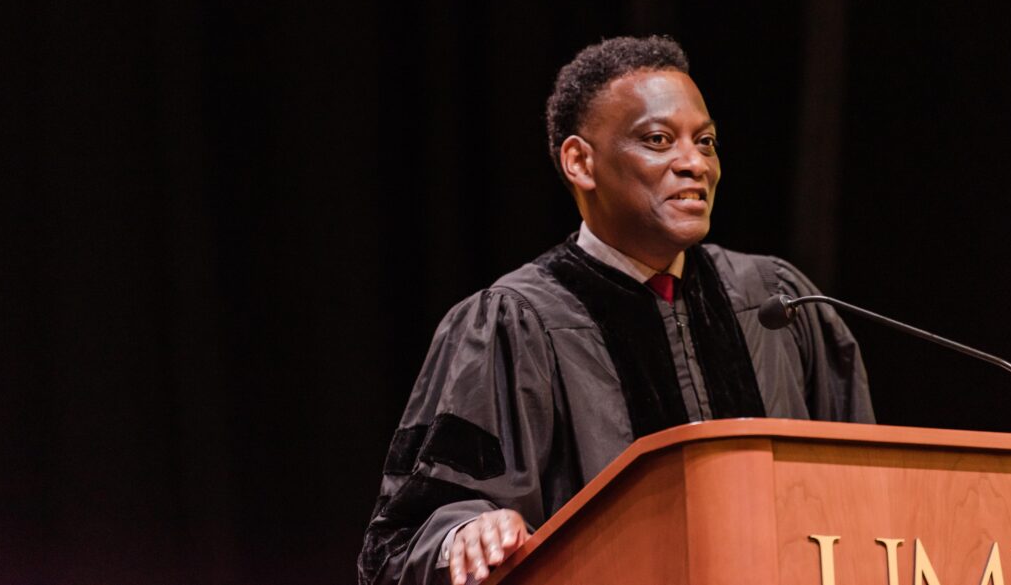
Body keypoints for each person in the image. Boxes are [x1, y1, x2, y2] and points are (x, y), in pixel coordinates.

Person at [358, 36, 874, 585]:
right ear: (581, 161)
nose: (694, 163)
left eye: (706, 141)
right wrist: (467, 533)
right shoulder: (515, 323)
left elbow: (869, 496)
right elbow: (403, 539)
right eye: (658, 140)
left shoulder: (778, 301)